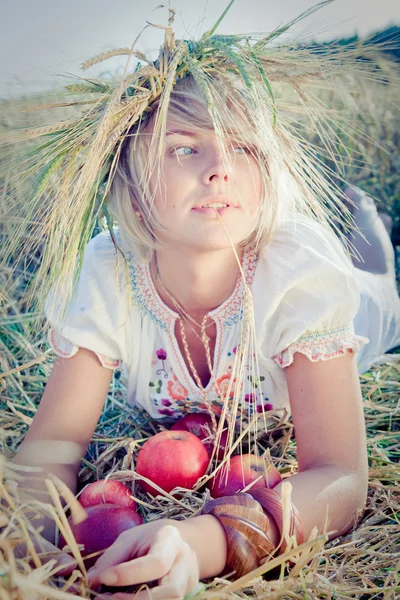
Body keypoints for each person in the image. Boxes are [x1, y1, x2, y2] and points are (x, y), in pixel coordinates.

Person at [9, 10, 400, 600]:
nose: (221, 169)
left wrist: (204, 539)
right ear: (133, 190)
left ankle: (368, 220)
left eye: (243, 147)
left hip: (367, 317)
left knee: (379, 279)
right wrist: (42, 543)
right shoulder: (109, 273)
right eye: (183, 149)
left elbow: (341, 477)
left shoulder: (299, 275)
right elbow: (53, 445)